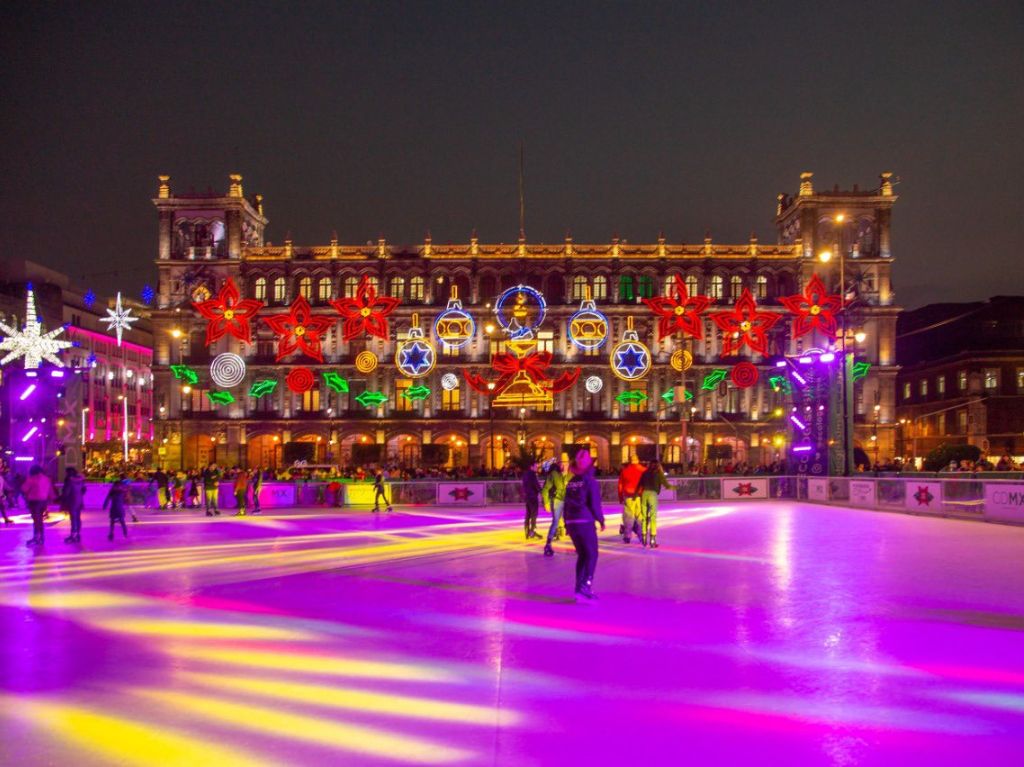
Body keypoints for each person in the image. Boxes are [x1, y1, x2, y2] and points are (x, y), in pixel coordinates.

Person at [562, 449, 605, 600]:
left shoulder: (571, 483)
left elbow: (565, 504)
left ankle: (578, 587)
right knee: (592, 553)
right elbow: (594, 504)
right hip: (585, 521)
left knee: (582, 555)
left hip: (572, 522)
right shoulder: (590, 482)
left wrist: (566, 523)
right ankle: (585, 585)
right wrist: (600, 519)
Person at [637, 459, 671, 548]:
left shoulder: (645, 473)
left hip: (644, 494)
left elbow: (639, 484)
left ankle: (644, 538)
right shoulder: (659, 473)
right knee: (653, 518)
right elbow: (666, 485)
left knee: (644, 517)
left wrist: (636, 494)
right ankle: (652, 540)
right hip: (652, 495)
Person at [542, 453, 569, 556]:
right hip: (557, 500)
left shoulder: (571, 474)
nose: (563, 466)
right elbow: (545, 489)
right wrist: (546, 503)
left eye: (565, 464)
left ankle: (578, 543)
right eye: (561, 464)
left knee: (572, 521)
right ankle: (548, 544)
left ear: (568, 464)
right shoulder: (553, 474)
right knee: (555, 521)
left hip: (568, 501)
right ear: (558, 464)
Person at [23, 465, 55, 547]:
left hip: (34, 502)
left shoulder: (32, 478)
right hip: (43, 501)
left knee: (36, 520)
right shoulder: (47, 479)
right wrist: (52, 499)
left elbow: (24, 489)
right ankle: (41, 537)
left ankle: (36, 537)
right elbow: (50, 491)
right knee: (40, 520)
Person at [617, 454, 646, 544]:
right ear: (638, 460)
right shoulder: (644, 470)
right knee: (640, 517)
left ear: (630, 460)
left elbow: (620, 485)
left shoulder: (625, 471)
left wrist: (620, 497)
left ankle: (627, 536)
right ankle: (642, 535)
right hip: (641, 496)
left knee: (628, 517)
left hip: (629, 496)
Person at [60, 467, 86, 544]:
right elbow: (84, 490)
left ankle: (73, 535)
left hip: (72, 501)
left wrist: (62, 499)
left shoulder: (69, 481)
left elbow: (66, 492)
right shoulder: (81, 480)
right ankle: (77, 534)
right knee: (77, 518)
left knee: (73, 518)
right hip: (79, 500)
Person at [104, 475, 130, 541]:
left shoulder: (113, 490)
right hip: (120, 508)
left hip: (114, 508)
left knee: (112, 521)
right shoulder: (122, 490)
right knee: (122, 521)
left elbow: (108, 498)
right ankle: (125, 533)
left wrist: (105, 505)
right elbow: (126, 498)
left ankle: (111, 533)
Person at [521, 461, 542, 539]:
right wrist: (541, 491)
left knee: (528, 514)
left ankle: (527, 530)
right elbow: (536, 484)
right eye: (536, 466)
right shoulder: (533, 474)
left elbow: (524, 485)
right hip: (533, 497)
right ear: (531, 467)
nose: (537, 468)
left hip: (527, 497)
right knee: (534, 514)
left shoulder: (525, 474)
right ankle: (532, 531)